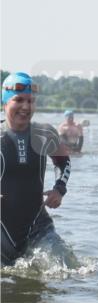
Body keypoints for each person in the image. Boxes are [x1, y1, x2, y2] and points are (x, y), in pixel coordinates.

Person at [1, 72, 73, 265]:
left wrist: (59, 189)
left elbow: (63, 162)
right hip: (2, 232)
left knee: (67, 268)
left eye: (31, 101)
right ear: (5, 102)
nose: (26, 106)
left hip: (39, 228)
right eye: (19, 100)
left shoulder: (44, 133)